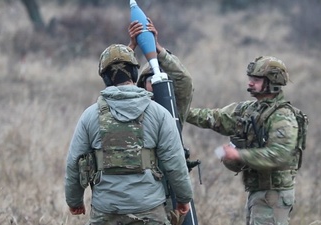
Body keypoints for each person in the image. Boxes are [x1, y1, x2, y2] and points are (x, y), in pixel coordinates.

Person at [64, 43, 193, 225]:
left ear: (106, 79)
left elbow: (74, 163)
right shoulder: (159, 113)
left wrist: (74, 201)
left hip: (106, 211)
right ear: (134, 73)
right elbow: (175, 161)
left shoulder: (90, 116)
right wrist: (183, 198)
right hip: (149, 210)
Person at [186, 56, 307, 225]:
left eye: (256, 79)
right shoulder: (249, 109)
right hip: (259, 192)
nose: (250, 83)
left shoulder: (283, 117)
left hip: (274, 195)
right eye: (251, 78)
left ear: (273, 82)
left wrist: (239, 155)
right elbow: (216, 118)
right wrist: (183, 112)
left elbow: (279, 154)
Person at [127, 18, 194, 129]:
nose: (157, 84)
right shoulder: (134, 105)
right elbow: (118, 79)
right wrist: (130, 48)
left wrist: (157, 48)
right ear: (142, 84)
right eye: (151, 80)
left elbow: (184, 79)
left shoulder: (174, 107)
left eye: (164, 80)